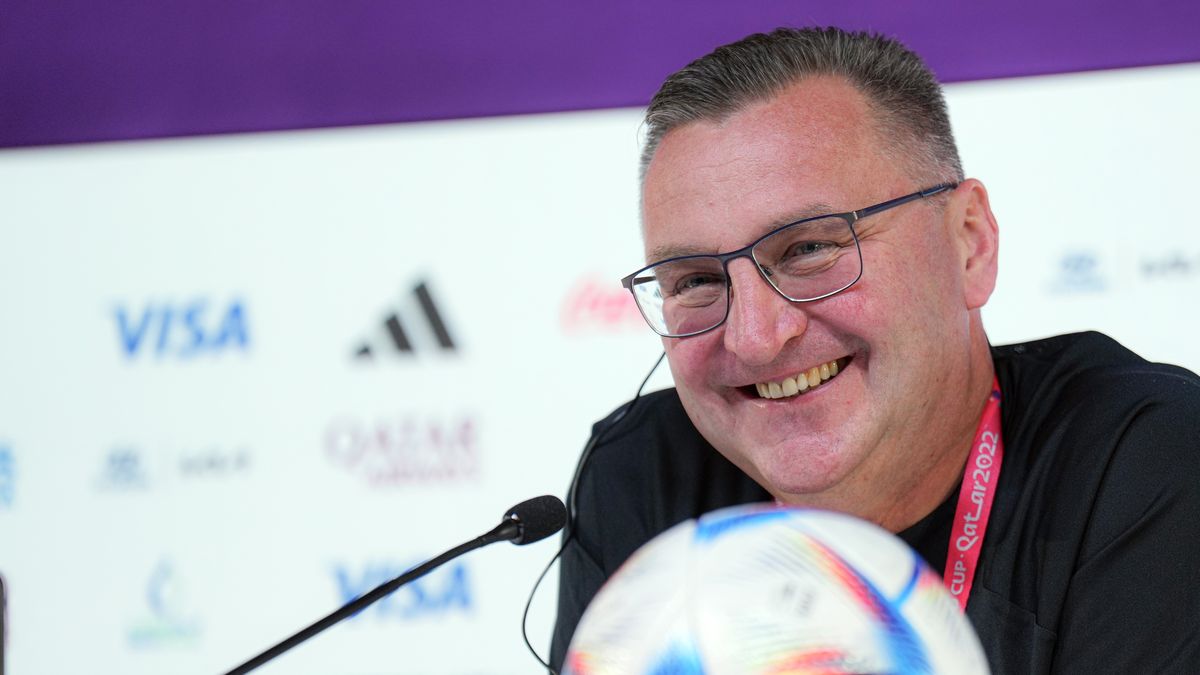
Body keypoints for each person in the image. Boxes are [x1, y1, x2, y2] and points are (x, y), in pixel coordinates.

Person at [550, 27, 1200, 673]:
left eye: (808, 249)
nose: (754, 338)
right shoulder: (640, 477)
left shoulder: (1146, 462)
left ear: (969, 242)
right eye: (694, 280)